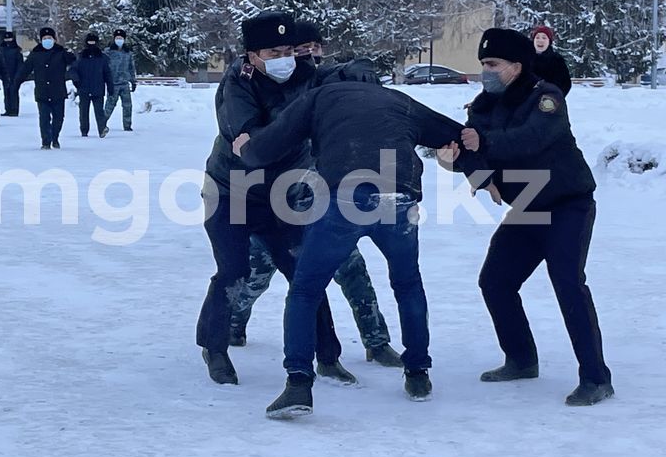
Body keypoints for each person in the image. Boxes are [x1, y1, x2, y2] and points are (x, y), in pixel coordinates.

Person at [232, 81, 493, 418]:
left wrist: (246, 148)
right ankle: (417, 373)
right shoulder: (398, 100)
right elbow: (458, 135)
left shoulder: (318, 96)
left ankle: (298, 384)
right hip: (400, 196)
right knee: (407, 283)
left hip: (345, 196)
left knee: (306, 290)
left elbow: (271, 144)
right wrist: (478, 158)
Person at [230, 20, 404, 368]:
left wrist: (361, 69)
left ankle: (376, 341)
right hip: (273, 195)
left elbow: (343, 78)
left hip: (318, 191)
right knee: (257, 273)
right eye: (297, 49)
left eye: (312, 47)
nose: (304, 55)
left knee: (352, 267)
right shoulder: (258, 85)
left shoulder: (321, 78)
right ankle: (233, 322)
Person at [198, 11, 355, 386]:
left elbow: (337, 78)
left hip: (282, 193)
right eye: (273, 51)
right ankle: (214, 348)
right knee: (234, 269)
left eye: (289, 49)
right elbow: (251, 142)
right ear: (251, 55)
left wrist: (359, 74)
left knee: (306, 271)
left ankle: (327, 355)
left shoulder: (305, 73)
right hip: (230, 191)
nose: (285, 58)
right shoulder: (236, 85)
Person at [462, 27, 612, 406]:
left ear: (516, 65)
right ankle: (521, 359)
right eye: (482, 64)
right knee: (495, 280)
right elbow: (468, 150)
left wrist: (486, 144)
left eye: (493, 63)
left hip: (567, 203)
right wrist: (479, 174)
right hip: (528, 206)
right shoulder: (483, 105)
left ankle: (596, 378)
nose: (486, 71)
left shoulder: (546, 97)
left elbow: (531, 139)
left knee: (567, 281)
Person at [14, 27, 76, 150]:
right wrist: (16, 82)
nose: (47, 40)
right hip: (42, 91)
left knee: (59, 117)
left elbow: (73, 62)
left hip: (58, 91)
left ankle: (55, 137)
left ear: (54, 39)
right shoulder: (35, 54)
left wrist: (69, 53)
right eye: (45, 38)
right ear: (41, 40)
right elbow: (25, 69)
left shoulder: (61, 52)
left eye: (50, 38)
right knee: (44, 117)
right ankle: (46, 141)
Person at [70, 33, 112, 138]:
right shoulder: (80, 57)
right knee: (83, 112)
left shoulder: (103, 58)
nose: (91, 44)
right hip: (83, 88)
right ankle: (84, 131)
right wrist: (76, 81)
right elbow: (73, 70)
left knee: (99, 111)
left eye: (94, 42)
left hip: (98, 88)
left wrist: (110, 87)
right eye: (90, 42)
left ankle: (102, 129)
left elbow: (107, 73)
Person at [103, 28, 137, 131]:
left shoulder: (128, 53)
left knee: (127, 106)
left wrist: (133, 80)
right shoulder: (108, 52)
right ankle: (102, 123)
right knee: (110, 105)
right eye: (117, 38)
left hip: (124, 83)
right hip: (113, 83)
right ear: (114, 39)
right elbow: (103, 67)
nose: (119, 40)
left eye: (121, 38)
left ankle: (127, 125)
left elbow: (131, 67)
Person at [530, 26, 571, 96]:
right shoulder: (524, 58)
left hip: (548, 103)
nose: (540, 40)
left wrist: (553, 98)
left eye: (544, 38)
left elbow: (565, 84)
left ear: (549, 41)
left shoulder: (557, 60)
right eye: (537, 37)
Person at [0, 31, 24, 117]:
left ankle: (14, 109)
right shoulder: (1, 50)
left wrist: (18, 75)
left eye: (9, 38)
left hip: (14, 74)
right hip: (5, 75)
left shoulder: (16, 50)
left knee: (14, 92)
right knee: (6, 92)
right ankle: (8, 109)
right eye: (6, 38)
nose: (8, 40)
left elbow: (20, 64)